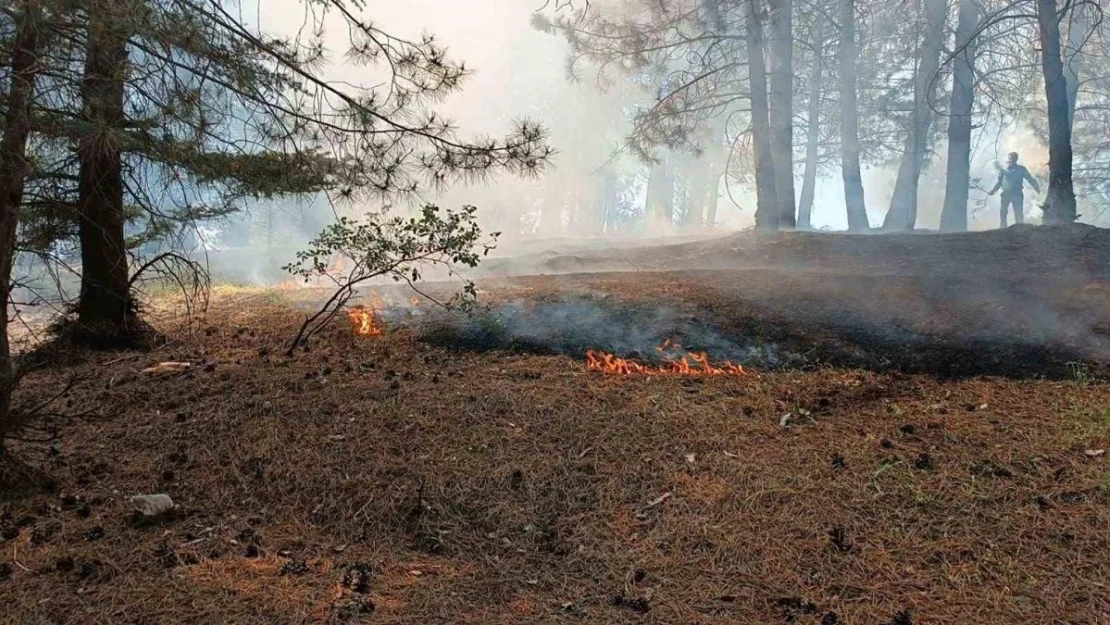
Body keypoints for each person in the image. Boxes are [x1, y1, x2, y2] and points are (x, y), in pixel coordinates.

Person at [987, 152, 1040, 227]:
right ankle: (1003, 227)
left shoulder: (1021, 169)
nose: (1010, 160)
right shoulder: (1003, 170)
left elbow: (1030, 179)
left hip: (1017, 194)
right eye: (1009, 158)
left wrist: (1036, 187)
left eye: (1012, 159)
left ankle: (1020, 228)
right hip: (1006, 194)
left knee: (1018, 212)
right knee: (1003, 212)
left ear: (1016, 159)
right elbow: (999, 182)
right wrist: (993, 190)